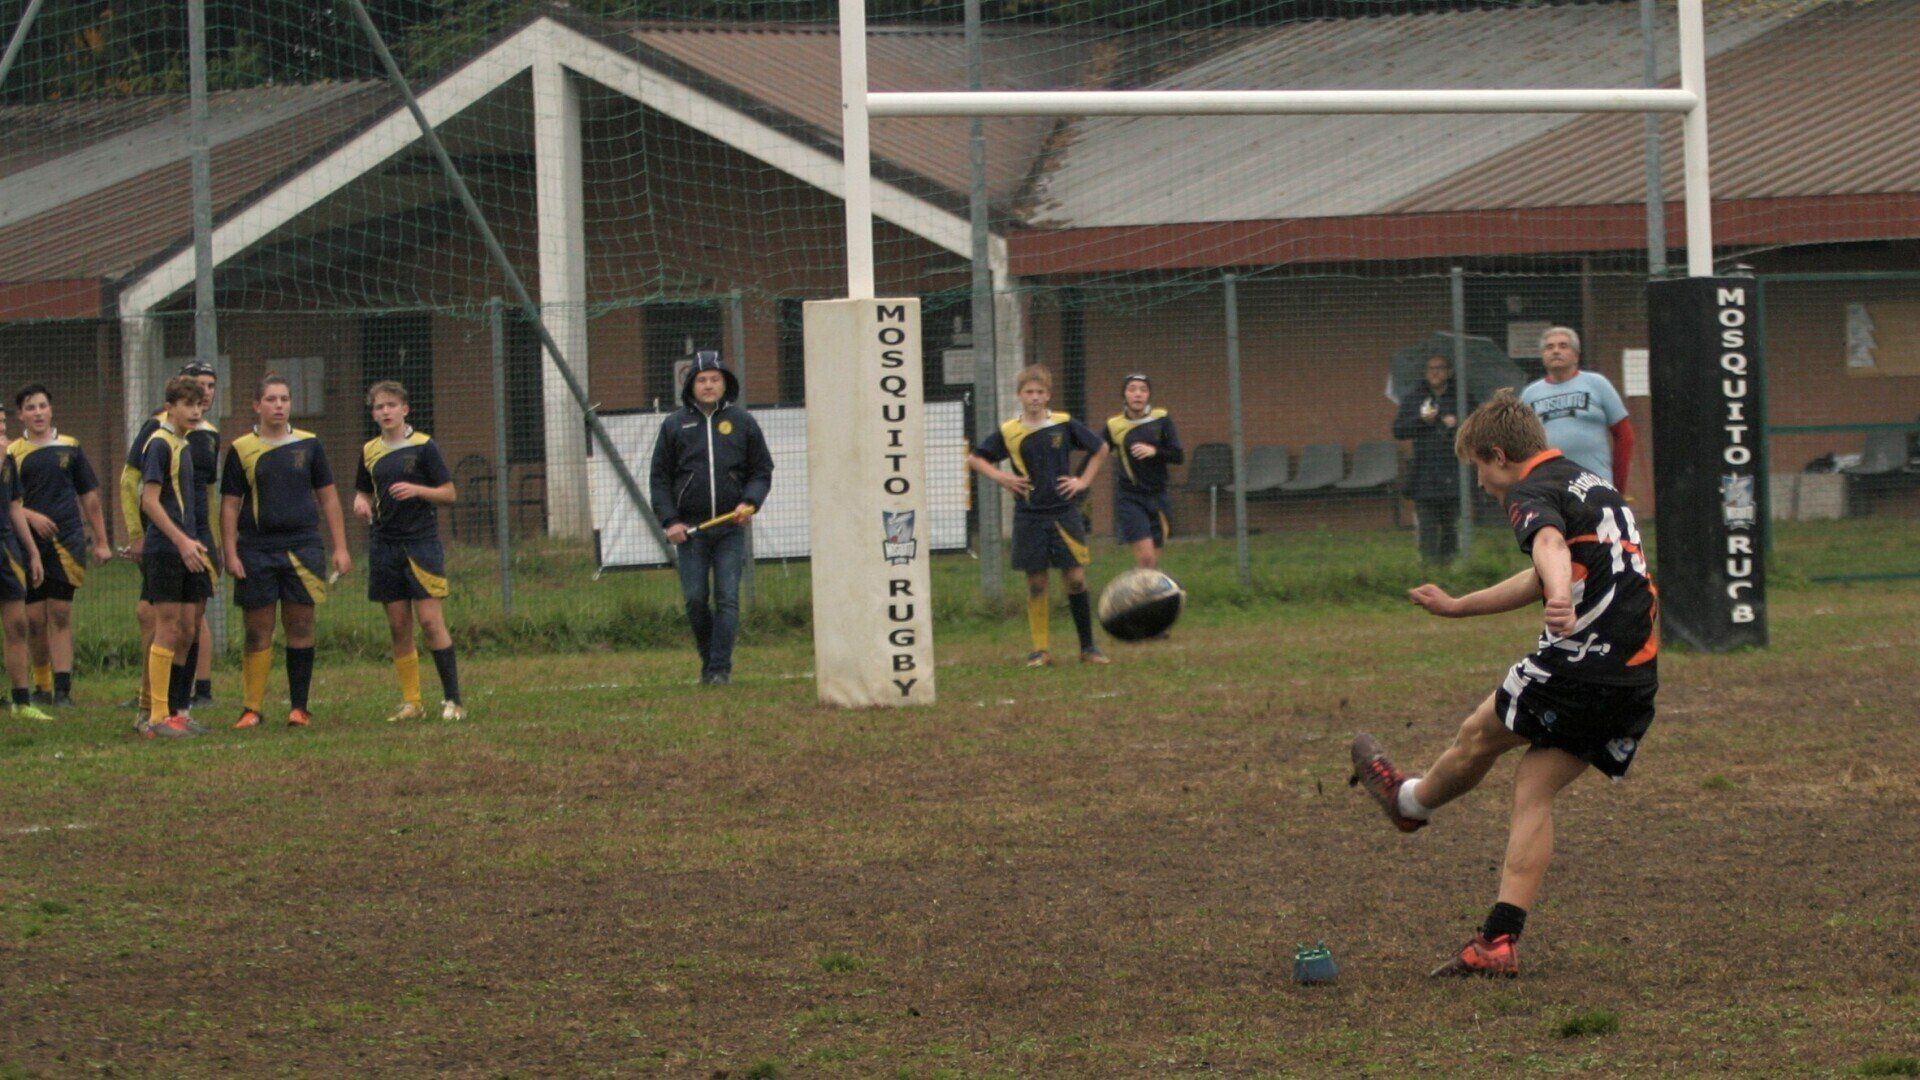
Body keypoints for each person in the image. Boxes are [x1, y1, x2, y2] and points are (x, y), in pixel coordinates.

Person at [1349, 389, 1658, 978]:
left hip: (1578, 663)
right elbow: (1555, 562)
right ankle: (1498, 941)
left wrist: (1561, 598)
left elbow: (1547, 549)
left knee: (1476, 735)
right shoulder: (1592, 486)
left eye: (1481, 472)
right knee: (1533, 792)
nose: (1486, 487)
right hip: (1633, 673)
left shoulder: (1532, 490)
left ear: (1498, 455)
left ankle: (1408, 802)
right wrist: (1462, 606)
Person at [222, 375, 352, 729]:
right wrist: (230, 552)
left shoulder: (310, 445)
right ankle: (252, 708)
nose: (278, 405)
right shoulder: (240, 448)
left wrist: (340, 547)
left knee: (300, 624)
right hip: (256, 549)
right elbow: (230, 505)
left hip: (303, 547)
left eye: (284, 398)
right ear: (256, 405)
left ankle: (299, 707)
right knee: (257, 629)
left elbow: (328, 497)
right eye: (271, 399)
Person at [968, 364, 1111, 668]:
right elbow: (976, 459)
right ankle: (1040, 650)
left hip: (1063, 513)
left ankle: (1088, 647)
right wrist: (1002, 478)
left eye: (1040, 392)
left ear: (1048, 396)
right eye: (1029, 392)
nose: (1034, 397)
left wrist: (1082, 481)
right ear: (1020, 395)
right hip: (1029, 515)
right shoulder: (1010, 431)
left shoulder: (1063, 423)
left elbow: (1100, 448)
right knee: (1036, 582)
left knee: (1074, 579)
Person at [648, 352, 773, 686]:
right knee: (694, 600)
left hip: (731, 528)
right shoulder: (674, 425)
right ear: (691, 385)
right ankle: (710, 661)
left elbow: (761, 471)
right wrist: (670, 521)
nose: (708, 385)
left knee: (728, 598)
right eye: (702, 380)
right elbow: (659, 479)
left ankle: (719, 669)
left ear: (724, 383)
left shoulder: (743, 422)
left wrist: (750, 502)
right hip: (690, 531)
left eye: (714, 379)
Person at [353, 381, 464, 722]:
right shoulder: (369, 450)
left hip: (421, 546)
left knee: (430, 622)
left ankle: (453, 701)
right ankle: (412, 702)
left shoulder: (424, 446)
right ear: (373, 413)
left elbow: (449, 494)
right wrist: (360, 502)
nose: (385, 412)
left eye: (391, 405)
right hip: (385, 547)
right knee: (399, 626)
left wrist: (417, 490)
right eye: (378, 407)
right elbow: (363, 492)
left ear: (405, 409)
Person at [119, 361, 220, 719]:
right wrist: (179, 540)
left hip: (190, 546)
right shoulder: (159, 443)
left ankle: (179, 711)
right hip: (167, 548)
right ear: (170, 407)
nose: (195, 410)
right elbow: (148, 499)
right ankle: (155, 714)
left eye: (199, 404)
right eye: (187, 404)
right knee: (168, 626)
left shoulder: (184, 443)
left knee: (189, 626)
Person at [9, 385, 111, 707]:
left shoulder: (71, 447)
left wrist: (102, 542)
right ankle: (41, 686)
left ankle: (63, 690)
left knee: (61, 613)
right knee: (34, 619)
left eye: (42, 406)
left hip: (67, 540)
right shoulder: (12, 453)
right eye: (30, 407)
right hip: (27, 544)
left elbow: (90, 498)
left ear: (51, 410)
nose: (38, 412)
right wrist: (31, 516)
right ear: (21, 415)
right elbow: (7, 503)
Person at [1519, 327, 1635, 495]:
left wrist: (1618, 486)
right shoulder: (1529, 394)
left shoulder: (1597, 384)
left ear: (1576, 355)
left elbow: (1625, 436)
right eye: (1549, 347)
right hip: (1548, 490)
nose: (1556, 351)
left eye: (1563, 346)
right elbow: (1519, 446)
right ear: (1543, 356)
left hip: (1596, 487)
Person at [1392, 355, 1472, 563]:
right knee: (1427, 526)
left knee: (1451, 526)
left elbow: (1477, 427)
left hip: (1454, 470)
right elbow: (1399, 430)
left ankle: (1450, 565)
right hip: (1424, 472)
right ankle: (1428, 568)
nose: (1435, 372)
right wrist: (1422, 421)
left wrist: (1456, 424)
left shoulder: (1462, 397)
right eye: (1430, 368)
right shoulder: (1415, 398)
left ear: (1449, 372)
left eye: (1440, 368)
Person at [1104, 373, 1184, 570]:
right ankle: (1132, 597)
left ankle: (1141, 598)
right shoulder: (1114, 425)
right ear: (1124, 395)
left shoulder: (1161, 419)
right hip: (1130, 497)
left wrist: (1154, 451)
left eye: (1143, 390)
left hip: (1158, 496)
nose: (1137, 394)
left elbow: (1178, 456)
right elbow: (1096, 451)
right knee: (1147, 558)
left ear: (1149, 395)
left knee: (1150, 564)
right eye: (1132, 389)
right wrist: (1079, 480)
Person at [0, 422, 50, 721]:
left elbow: (15, 506)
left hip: (7, 550)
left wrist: (31, 552)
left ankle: (21, 699)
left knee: (17, 624)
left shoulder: (8, 461)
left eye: (4, 426)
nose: (3, 433)